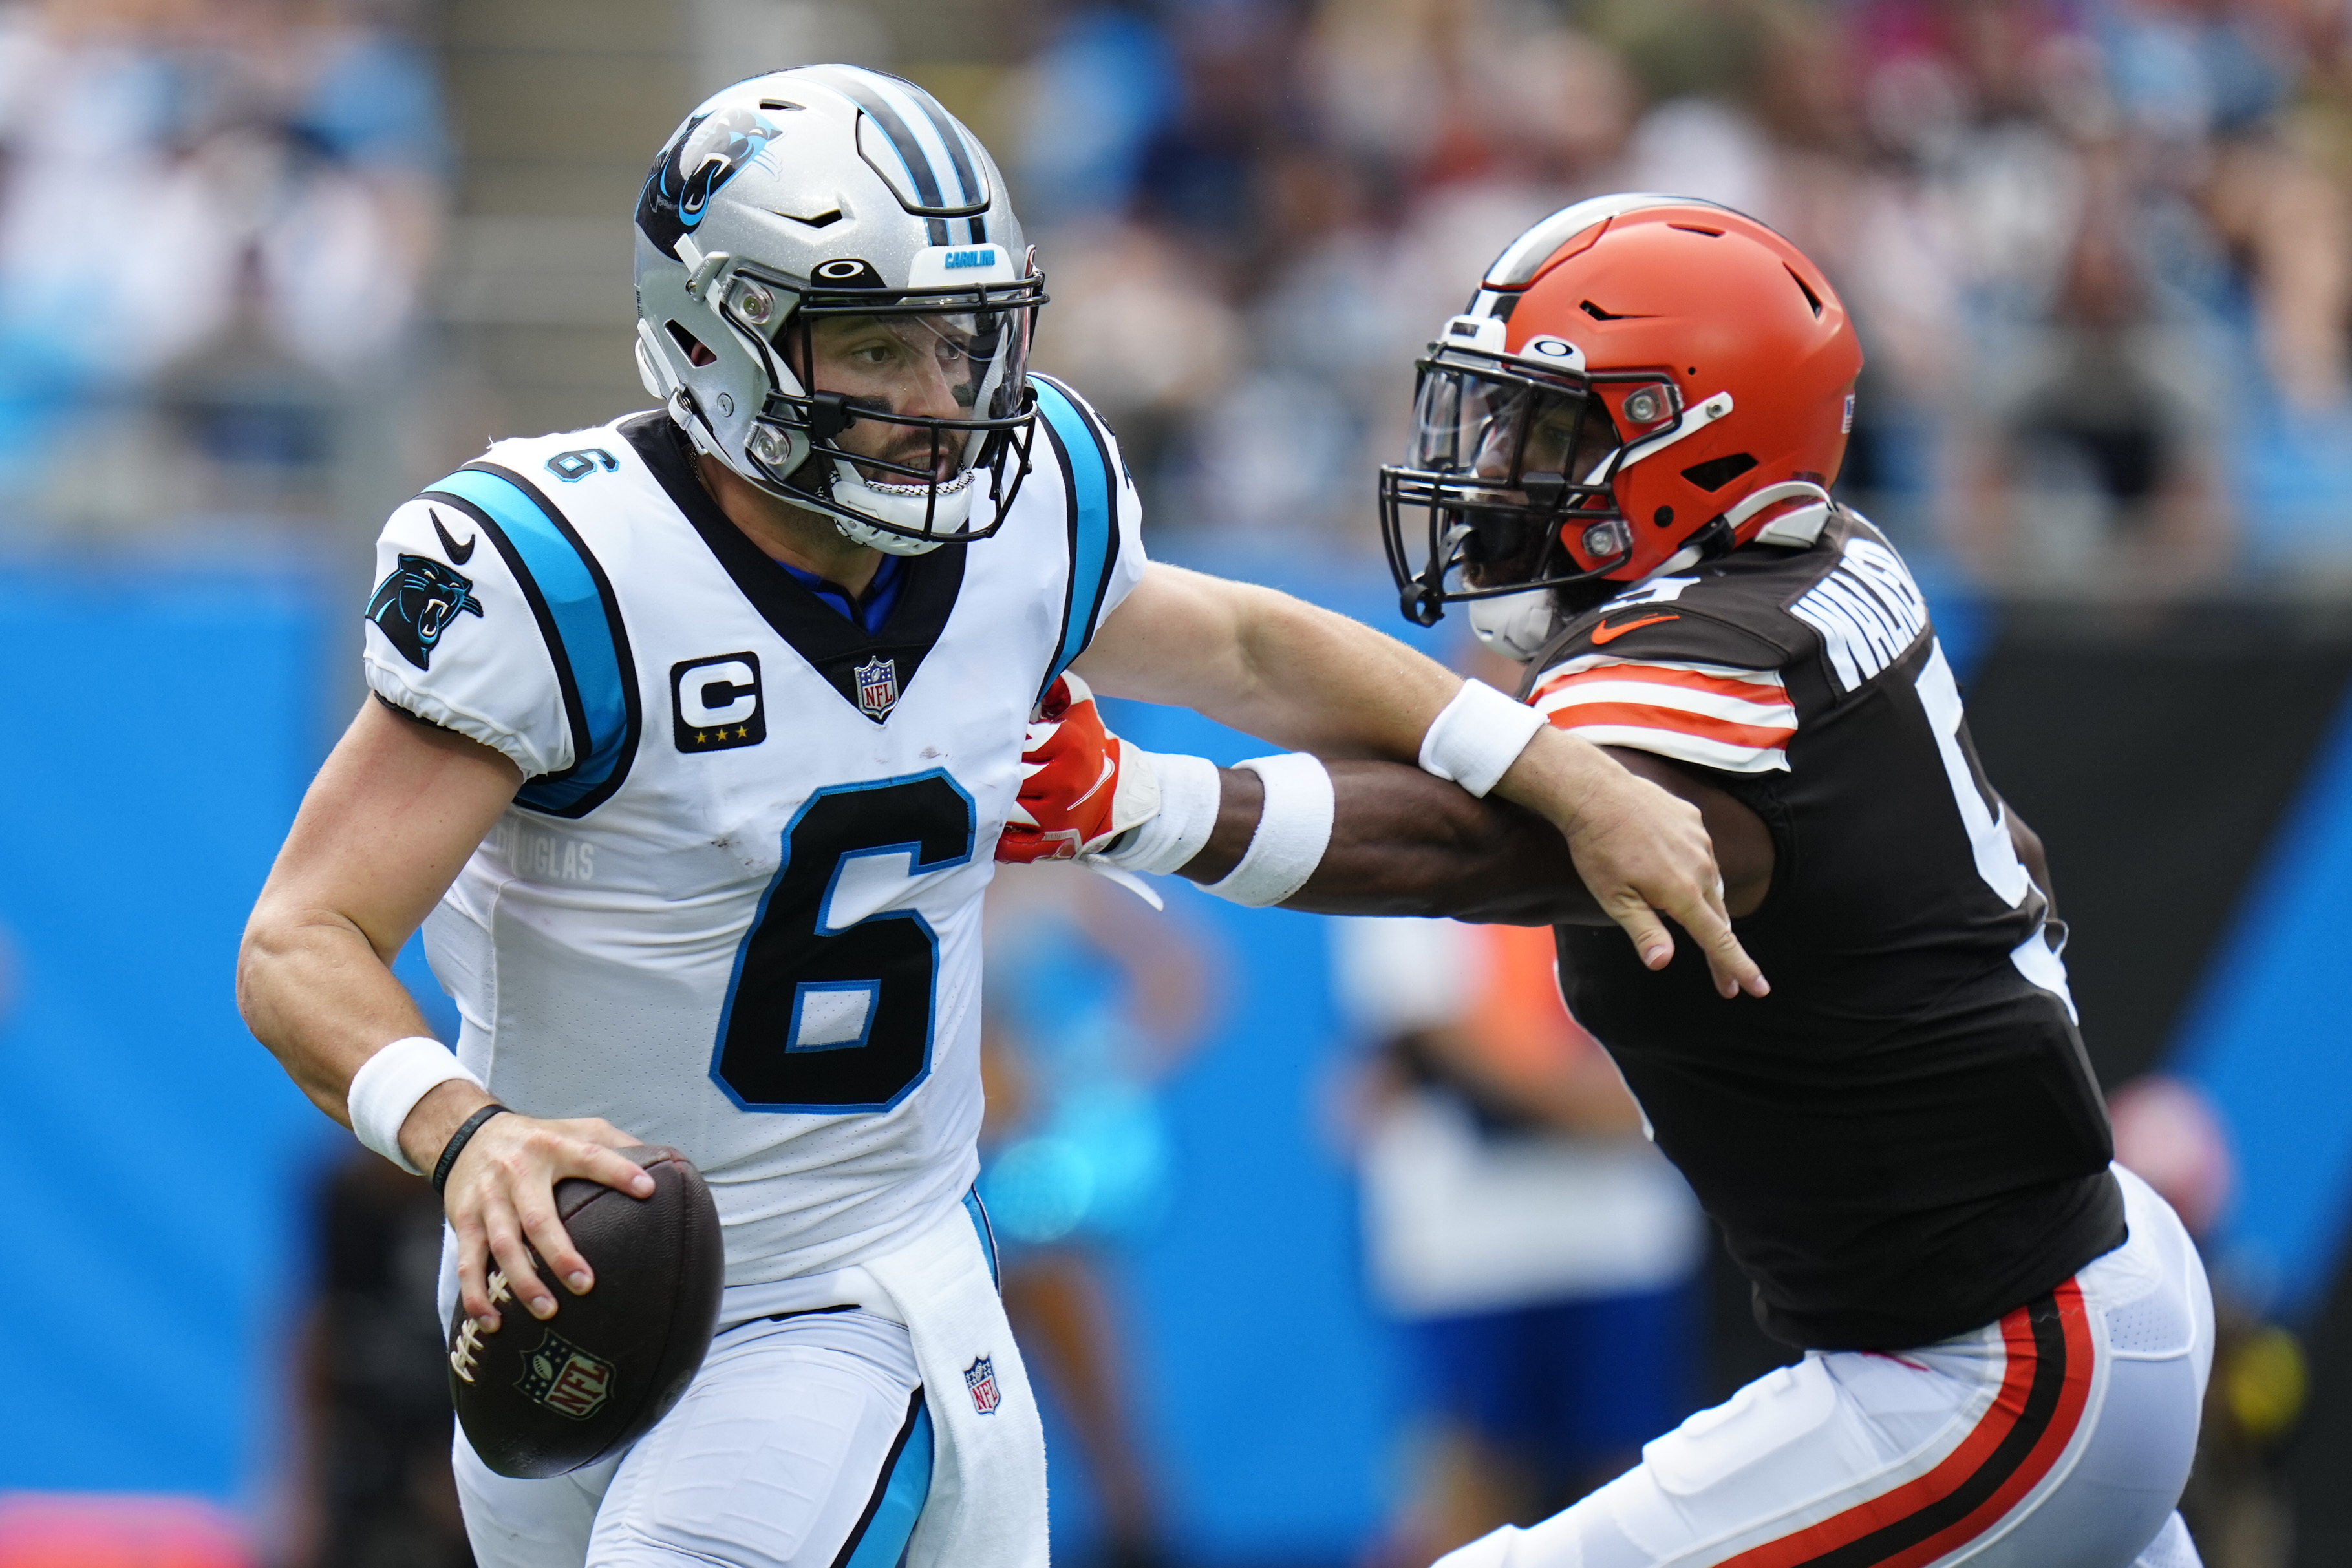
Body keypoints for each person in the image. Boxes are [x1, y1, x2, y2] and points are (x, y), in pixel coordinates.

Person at [235, 76, 1755, 1568]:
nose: (938, 400)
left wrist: (1556, 768)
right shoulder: (563, 576)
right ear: (714, 337)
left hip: (848, 1296)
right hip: (558, 1284)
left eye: (960, 342)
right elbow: (303, 937)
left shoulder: (1026, 504)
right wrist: (464, 1134)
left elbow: (1240, 646)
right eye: (876, 344)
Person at [1006, 194, 2212, 1567]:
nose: (1500, 464)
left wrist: (1141, 799)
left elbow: (1491, 838)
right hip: (2042, 1295)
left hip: (1992, 1363)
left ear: (1700, 445)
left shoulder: (1706, 646)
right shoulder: (1821, 570)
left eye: (1556, 429)